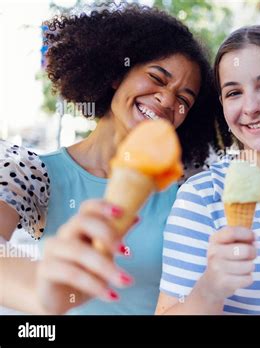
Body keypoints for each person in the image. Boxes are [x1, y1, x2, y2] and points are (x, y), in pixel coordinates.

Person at [0, 3, 230, 315]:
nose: (166, 100)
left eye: (183, 99)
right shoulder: (32, 171)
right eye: (157, 78)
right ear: (116, 75)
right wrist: (41, 289)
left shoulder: (187, 191)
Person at [155, 25, 260, 315]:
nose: (251, 107)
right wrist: (210, 288)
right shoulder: (202, 197)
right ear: (223, 105)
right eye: (234, 92)